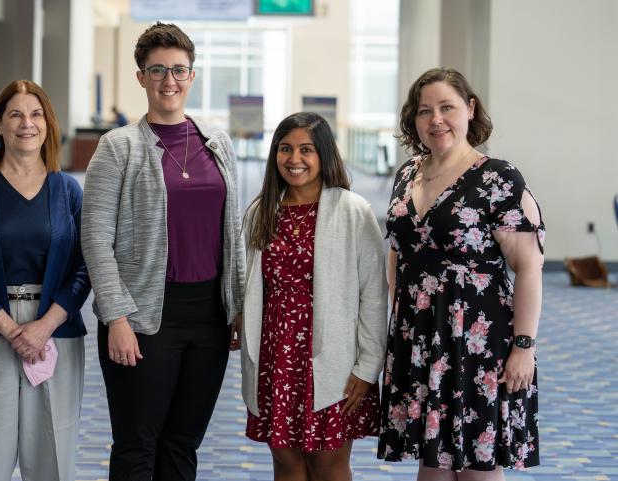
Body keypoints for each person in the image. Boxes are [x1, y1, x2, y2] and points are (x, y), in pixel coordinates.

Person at [81, 22, 244, 481]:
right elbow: (95, 238)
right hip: (144, 316)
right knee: (137, 446)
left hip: (209, 316)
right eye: (157, 70)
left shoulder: (218, 144)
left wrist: (238, 306)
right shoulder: (118, 148)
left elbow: (233, 232)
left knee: (182, 443)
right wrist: (116, 318)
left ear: (192, 76)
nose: (168, 81)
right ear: (141, 78)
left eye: (178, 70)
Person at [377, 67, 545, 479]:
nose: (436, 120)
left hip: (477, 339)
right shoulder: (408, 173)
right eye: (424, 111)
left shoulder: (498, 178)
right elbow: (399, 251)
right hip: (418, 336)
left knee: (476, 467)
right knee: (431, 464)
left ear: (470, 109)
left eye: (447, 107)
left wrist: (524, 345)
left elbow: (528, 266)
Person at [0, 79, 91, 481]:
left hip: (56, 330)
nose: (27, 124)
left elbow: (84, 268)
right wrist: (13, 331)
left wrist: (43, 327)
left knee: (51, 454)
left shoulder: (67, 191)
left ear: (48, 124)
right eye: (15, 115)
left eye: (36, 114)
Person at [241, 112, 388, 481]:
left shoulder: (352, 211)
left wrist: (369, 365)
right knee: (287, 464)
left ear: (324, 155)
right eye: (285, 149)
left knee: (327, 465)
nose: (294, 159)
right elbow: (247, 285)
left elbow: (374, 294)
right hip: (277, 358)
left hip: (335, 362)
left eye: (306, 150)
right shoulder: (262, 212)